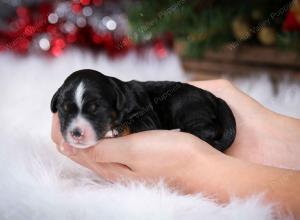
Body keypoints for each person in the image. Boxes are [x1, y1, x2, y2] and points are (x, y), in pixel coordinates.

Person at [51, 79, 300, 218]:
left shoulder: (132, 103)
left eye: (94, 109)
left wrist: (200, 166)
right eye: (67, 111)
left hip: (191, 103)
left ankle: (207, 133)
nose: (76, 126)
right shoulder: (117, 100)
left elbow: (144, 123)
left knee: (188, 111)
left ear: (117, 101)